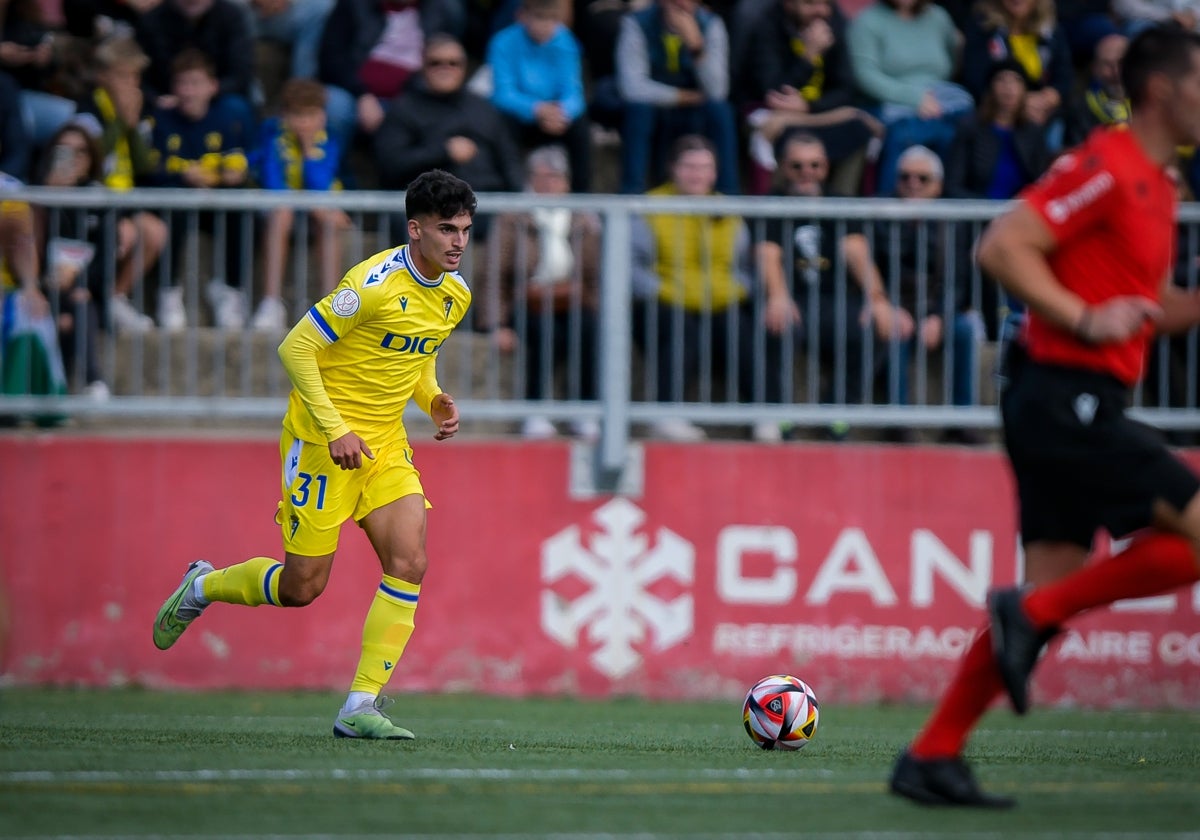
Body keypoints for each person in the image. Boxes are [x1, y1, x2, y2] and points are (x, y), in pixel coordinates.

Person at [889, 25, 1200, 808]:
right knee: (1054, 598)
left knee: (1048, 593)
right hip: (1063, 395)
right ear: (1164, 90)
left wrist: (1166, 310)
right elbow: (1003, 244)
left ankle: (931, 754)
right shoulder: (1109, 162)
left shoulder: (1160, 188)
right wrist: (1080, 315)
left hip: (1083, 398)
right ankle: (1030, 613)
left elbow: (1144, 309)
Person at [152, 168, 476, 740]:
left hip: (384, 446)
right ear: (415, 229)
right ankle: (203, 585)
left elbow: (414, 356)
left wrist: (434, 399)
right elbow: (295, 346)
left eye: (466, 230)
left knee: (410, 561)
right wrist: (333, 431)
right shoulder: (371, 284)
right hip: (322, 444)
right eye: (447, 229)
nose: (458, 242)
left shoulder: (455, 295)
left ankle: (359, 706)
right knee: (303, 587)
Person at [632, 134, 797, 442]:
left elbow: (743, 266)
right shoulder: (650, 206)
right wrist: (658, 290)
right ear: (673, 169)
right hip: (666, 298)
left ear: (715, 173)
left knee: (744, 332)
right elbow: (631, 265)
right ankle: (666, 415)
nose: (697, 174)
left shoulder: (727, 209)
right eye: (689, 167)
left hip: (719, 299)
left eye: (704, 167)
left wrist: (737, 288)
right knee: (680, 331)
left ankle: (766, 414)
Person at [756, 131, 904, 439]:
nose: (806, 173)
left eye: (814, 165)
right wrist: (779, 296)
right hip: (792, 299)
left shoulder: (840, 202)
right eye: (797, 166)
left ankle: (837, 411)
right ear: (784, 167)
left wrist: (877, 299)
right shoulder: (772, 203)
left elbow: (856, 253)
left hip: (833, 301)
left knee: (875, 326)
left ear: (825, 167)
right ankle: (780, 413)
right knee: (776, 324)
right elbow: (768, 254)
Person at [475, 144, 601, 440]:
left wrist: (596, 305)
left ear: (566, 181)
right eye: (541, 177)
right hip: (526, 299)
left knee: (589, 329)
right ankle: (535, 410)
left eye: (555, 177)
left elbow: (596, 274)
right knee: (545, 333)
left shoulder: (584, 218)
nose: (548, 184)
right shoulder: (512, 217)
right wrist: (497, 324)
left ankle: (585, 410)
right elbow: (493, 273)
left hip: (572, 299)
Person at [871, 144, 983, 441]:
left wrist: (939, 318)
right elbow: (875, 272)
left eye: (922, 179)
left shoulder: (952, 221)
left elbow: (957, 280)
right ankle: (899, 422)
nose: (912, 185)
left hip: (938, 306)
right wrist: (890, 307)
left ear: (939, 186)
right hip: (896, 305)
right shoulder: (880, 215)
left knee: (966, 329)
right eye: (905, 177)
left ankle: (961, 421)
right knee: (894, 330)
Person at [150, 48, 253, 331]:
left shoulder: (227, 119)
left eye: (195, 83)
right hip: (175, 202)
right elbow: (149, 168)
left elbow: (241, 161)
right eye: (182, 83)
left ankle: (231, 290)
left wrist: (231, 174)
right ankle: (168, 292)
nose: (188, 91)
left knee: (241, 210)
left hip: (215, 203)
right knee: (175, 207)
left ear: (212, 87)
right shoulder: (161, 120)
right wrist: (184, 173)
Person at [737, 0, 881, 196]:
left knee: (859, 131)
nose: (820, 10)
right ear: (789, 5)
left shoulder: (835, 25)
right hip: (774, 115)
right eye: (810, 3)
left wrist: (809, 106)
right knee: (779, 135)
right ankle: (777, 210)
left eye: (825, 4)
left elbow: (846, 90)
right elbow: (772, 92)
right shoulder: (768, 26)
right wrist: (808, 57)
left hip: (816, 112)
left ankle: (840, 209)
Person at [75, 35, 168, 333]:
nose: (131, 83)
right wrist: (119, 123)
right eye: (123, 75)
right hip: (92, 203)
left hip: (124, 202)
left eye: (135, 76)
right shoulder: (88, 108)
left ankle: (117, 296)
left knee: (155, 231)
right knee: (123, 233)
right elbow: (92, 159)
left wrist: (131, 125)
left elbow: (144, 165)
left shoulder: (137, 111)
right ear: (103, 76)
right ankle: (96, 302)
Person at [251, 77, 352, 332]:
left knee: (326, 217)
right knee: (283, 212)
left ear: (323, 116)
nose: (305, 122)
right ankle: (271, 303)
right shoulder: (273, 137)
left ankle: (331, 309)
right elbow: (274, 184)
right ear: (285, 116)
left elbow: (321, 185)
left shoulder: (328, 142)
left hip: (314, 211)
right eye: (298, 115)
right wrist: (312, 205)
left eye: (312, 115)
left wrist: (308, 151)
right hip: (280, 210)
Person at [846, 0, 974, 197]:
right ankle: (888, 216)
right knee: (904, 133)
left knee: (962, 126)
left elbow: (953, 60)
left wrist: (932, 99)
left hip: (940, 100)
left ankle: (949, 211)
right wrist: (915, 98)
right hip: (888, 103)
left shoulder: (938, 17)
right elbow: (865, 76)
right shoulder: (867, 21)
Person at [614, 0, 741, 195]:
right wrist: (680, 96)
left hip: (697, 108)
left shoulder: (711, 24)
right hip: (655, 105)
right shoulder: (636, 23)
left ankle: (729, 199)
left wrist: (696, 47)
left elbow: (717, 90)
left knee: (721, 111)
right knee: (637, 110)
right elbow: (632, 87)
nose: (682, 4)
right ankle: (631, 197)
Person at [374, 34, 523, 196]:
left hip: (485, 204)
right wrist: (442, 152)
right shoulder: (403, 109)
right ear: (423, 66)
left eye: (454, 63)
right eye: (435, 63)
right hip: (427, 207)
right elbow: (391, 164)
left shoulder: (483, 108)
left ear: (464, 67)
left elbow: (508, 160)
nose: (445, 69)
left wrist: (515, 202)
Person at [486, 0, 592, 193]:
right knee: (500, 123)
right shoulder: (502, 42)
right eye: (539, 18)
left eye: (551, 20)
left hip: (556, 116)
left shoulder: (566, 42)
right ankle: (512, 193)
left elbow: (573, 91)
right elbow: (502, 94)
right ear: (522, 16)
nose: (545, 26)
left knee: (581, 126)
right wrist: (536, 109)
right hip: (521, 115)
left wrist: (563, 112)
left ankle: (581, 197)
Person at [960, 0, 1074, 151]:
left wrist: (1050, 96)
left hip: (1042, 110)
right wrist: (1019, 103)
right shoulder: (983, 27)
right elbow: (976, 78)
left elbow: (1064, 76)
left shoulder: (1051, 30)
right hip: (997, 109)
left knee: (1058, 131)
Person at [1064, 32, 1129, 147]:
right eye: (1107, 64)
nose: (1116, 72)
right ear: (1095, 69)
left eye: (1121, 62)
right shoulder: (1081, 109)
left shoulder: (1150, 104)